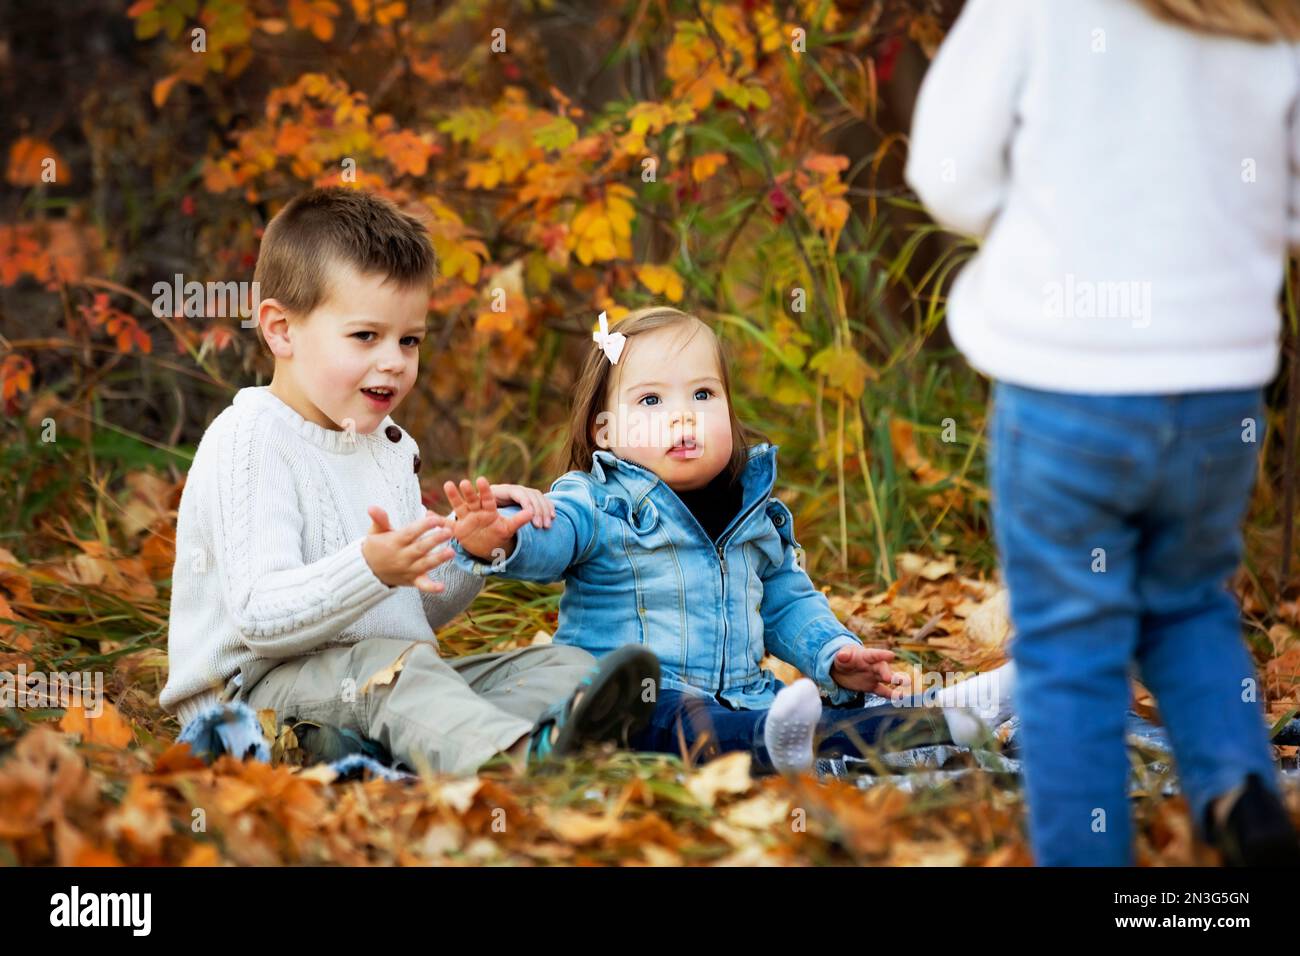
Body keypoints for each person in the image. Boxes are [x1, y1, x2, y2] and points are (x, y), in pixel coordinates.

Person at [906, 0, 1300, 864]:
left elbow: (948, 173)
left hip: (1068, 387)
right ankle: (1238, 788)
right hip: (1216, 389)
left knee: (1069, 651)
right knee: (1188, 602)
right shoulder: (1269, 19)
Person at [159, 187, 657, 775]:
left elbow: (407, 613)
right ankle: (514, 758)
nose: (394, 360)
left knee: (564, 666)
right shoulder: (250, 439)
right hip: (256, 701)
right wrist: (369, 567)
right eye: (366, 336)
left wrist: (470, 551)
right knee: (396, 672)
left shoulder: (389, 446)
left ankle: (494, 742)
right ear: (281, 330)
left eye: (409, 340)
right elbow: (259, 618)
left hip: (377, 680)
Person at [441, 306, 1015, 775]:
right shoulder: (596, 501)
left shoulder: (752, 513)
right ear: (606, 431)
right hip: (633, 704)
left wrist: (833, 655)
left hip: (746, 697)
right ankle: (828, 739)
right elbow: (551, 537)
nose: (683, 418)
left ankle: (946, 717)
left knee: (829, 713)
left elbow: (787, 602)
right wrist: (498, 539)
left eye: (703, 395)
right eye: (651, 400)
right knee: (692, 721)